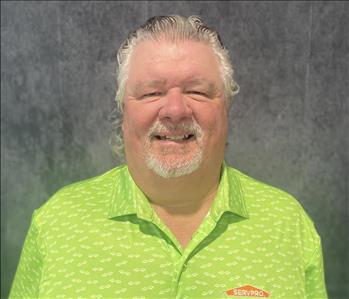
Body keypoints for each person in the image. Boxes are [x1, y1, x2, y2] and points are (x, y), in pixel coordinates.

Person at [10, 15, 328, 298]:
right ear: (124, 110)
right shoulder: (57, 223)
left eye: (198, 91)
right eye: (151, 92)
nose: (175, 110)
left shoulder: (288, 224)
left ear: (226, 107)